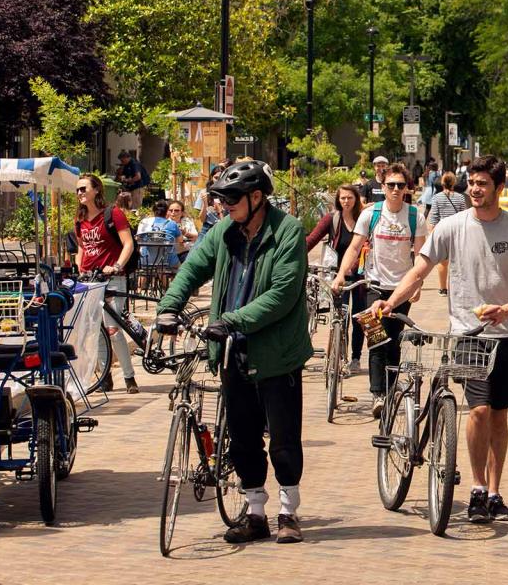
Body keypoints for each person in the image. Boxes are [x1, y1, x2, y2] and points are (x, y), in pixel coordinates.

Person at [382, 155, 508, 524]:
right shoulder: (451, 227)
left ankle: (494, 491)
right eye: (472, 182)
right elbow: (419, 270)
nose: (475, 188)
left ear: (498, 187)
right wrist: (391, 302)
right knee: (479, 410)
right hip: (467, 335)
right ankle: (475, 486)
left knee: (500, 417)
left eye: (483, 183)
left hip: (507, 335)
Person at [155, 160, 312, 545]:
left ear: (257, 198)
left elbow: (282, 294)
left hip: (276, 353)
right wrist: (168, 308)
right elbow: (192, 268)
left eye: (232, 199)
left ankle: (288, 512)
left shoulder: (287, 232)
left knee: (284, 439)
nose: (224, 207)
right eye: (221, 200)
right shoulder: (225, 231)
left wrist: (233, 320)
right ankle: (255, 513)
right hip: (232, 351)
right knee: (243, 438)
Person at [332, 164, 427, 417]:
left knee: (394, 340)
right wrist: (341, 274)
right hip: (373, 285)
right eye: (390, 185)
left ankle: (392, 386)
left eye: (400, 185)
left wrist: (417, 284)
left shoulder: (415, 216)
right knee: (376, 341)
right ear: (382, 187)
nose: (395, 189)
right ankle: (378, 394)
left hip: (401, 287)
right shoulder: (371, 214)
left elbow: (419, 254)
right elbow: (354, 248)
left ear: (407, 189)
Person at [74, 173, 140, 394]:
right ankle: (105, 376)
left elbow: (128, 243)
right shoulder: (80, 219)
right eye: (78, 190)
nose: (80, 193)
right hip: (90, 280)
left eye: (84, 189)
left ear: (96, 190)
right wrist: (79, 267)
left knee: (112, 327)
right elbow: (81, 248)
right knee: (96, 328)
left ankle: (129, 377)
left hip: (112, 278)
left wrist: (117, 266)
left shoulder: (113, 214)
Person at [306, 185, 368, 372]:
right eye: (342, 198)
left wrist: (352, 267)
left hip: (359, 275)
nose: (346, 202)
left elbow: (366, 247)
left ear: (356, 199)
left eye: (350, 198)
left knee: (359, 317)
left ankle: (356, 357)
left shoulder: (363, 219)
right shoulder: (332, 220)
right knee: (340, 316)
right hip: (335, 276)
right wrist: (294, 255)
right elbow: (311, 240)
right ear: (338, 200)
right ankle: (339, 356)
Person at [427, 171, 470, 296]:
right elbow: (464, 215)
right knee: (458, 262)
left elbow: (434, 217)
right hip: (458, 232)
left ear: (442, 183)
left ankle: (443, 288)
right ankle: (457, 288)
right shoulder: (461, 197)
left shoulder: (437, 197)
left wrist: (432, 234)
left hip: (442, 232)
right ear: (454, 182)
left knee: (442, 262)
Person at [136, 199, 185, 267]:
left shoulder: (144, 222)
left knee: (143, 271)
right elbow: (180, 242)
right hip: (167, 261)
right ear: (167, 212)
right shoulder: (172, 224)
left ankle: (142, 277)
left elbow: (137, 239)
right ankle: (166, 277)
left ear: (153, 211)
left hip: (146, 260)